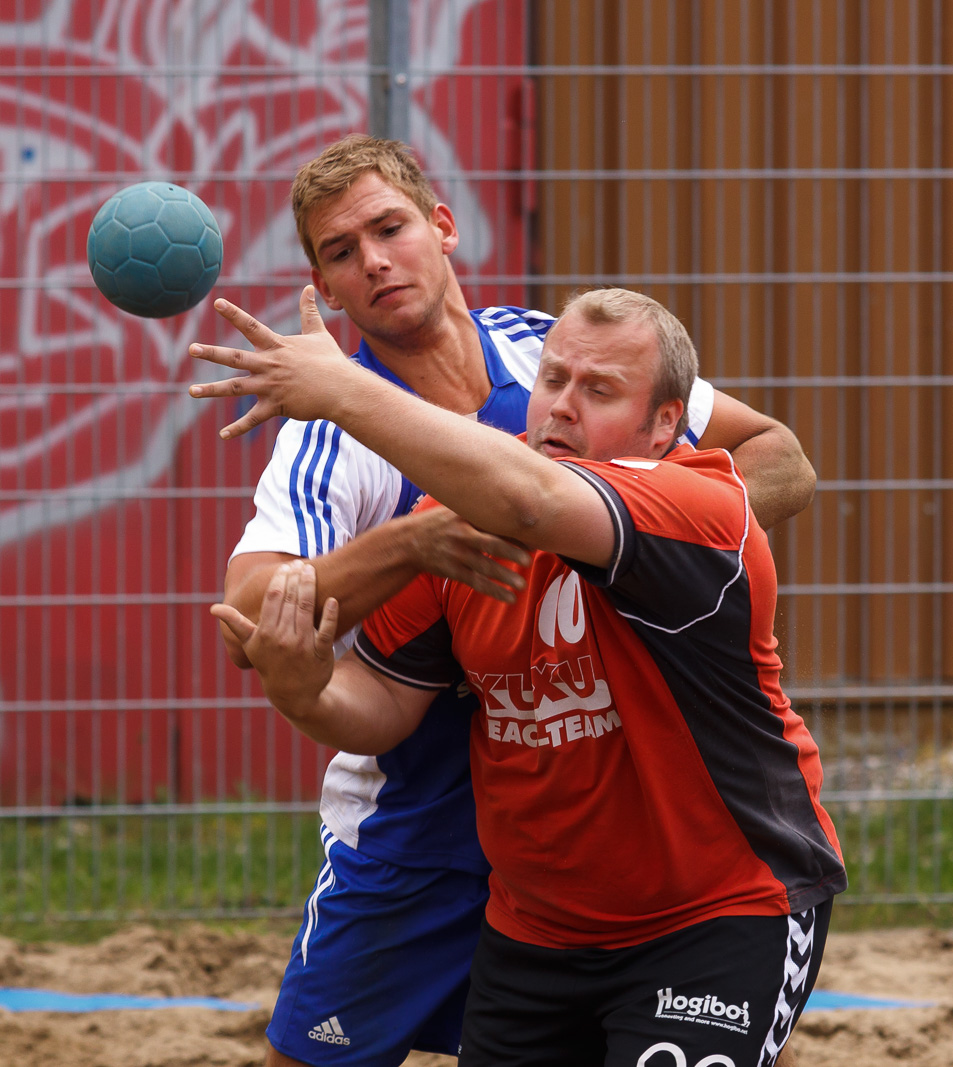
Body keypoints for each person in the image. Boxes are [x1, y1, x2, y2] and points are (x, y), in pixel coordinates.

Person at [206, 136, 817, 1067]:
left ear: (442, 227)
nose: (374, 260)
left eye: (389, 228)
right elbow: (253, 615)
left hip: (631, 817)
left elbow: (778, 459)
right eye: (341, 252)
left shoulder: (556, 356)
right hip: (425, 821)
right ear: (323, 289)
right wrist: (405, 547)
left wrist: (640, 548)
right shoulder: (339, 440)